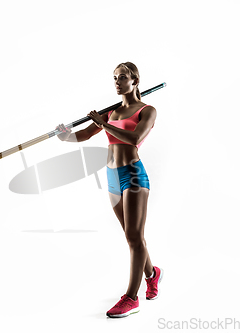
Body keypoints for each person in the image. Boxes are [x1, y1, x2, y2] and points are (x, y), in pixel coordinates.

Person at [55, 62, 163, 318]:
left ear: (135, 81)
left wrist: (102, 125)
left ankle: (131, 298)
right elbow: (83, 135)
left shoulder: (147, 110)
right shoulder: (111, 112)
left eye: (122, 77)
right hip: (113, 176)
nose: (116, 81)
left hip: (134, 176)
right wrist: (64, 135)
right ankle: (152, 273)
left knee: (134, 238)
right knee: (131, 235)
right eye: (114, 77)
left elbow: (135, 138)